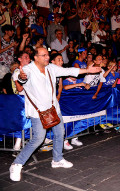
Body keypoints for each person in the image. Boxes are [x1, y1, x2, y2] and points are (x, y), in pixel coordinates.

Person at [9, 47, 101, 182]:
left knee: (60, 133)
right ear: (36, 57)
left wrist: (87, 70)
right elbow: (18, 75)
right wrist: (21, 77)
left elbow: (68, 70)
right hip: (38, 111)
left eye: (47, 55)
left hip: (53, 109)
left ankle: (57, 159)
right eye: (43, 55)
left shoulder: (51, 67)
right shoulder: (28, 69)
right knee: (38, 139)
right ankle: (16, 164)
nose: (47, 57)